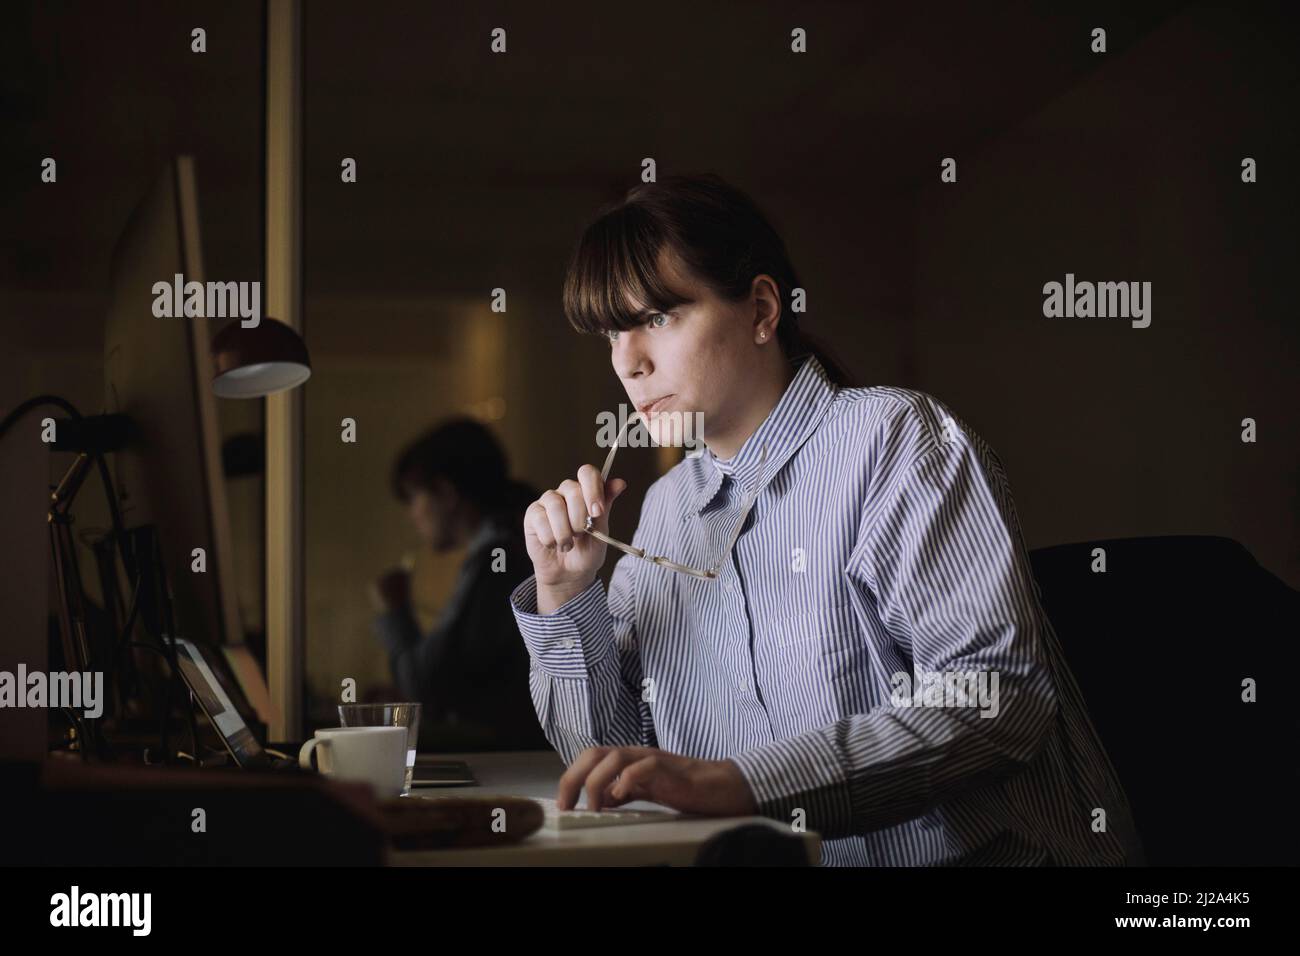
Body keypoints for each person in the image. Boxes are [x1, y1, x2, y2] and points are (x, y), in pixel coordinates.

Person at [510, 172, 1145, 866]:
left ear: (760, 310)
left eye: (657, 318)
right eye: (610, 333)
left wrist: (740, 784)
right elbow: (610, 768)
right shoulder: (662, 509)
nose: (627, 363)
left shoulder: (895, 441)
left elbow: (997, 700)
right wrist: (569, 596)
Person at [372, 418, 549, 751]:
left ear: (446, 492)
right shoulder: (506, 550)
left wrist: (395, 611)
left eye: (414, 498)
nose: (413, 514)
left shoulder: (499, 562)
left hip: (516, 761)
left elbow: (427, 685)